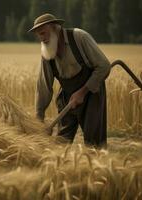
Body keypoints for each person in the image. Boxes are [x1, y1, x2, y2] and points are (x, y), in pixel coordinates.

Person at [28, 13, 111, 148]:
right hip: (67, 96)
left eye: (44, 33)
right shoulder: (47, 53)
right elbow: (43, 86)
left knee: (94, 143)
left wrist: (83, 92)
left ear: (56, 28)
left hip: (91, 94)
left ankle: (97, 166)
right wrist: (39, 120)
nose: (42, 39)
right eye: (39, 35)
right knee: (61, 142)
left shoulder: (79, 37)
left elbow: (104, 66)